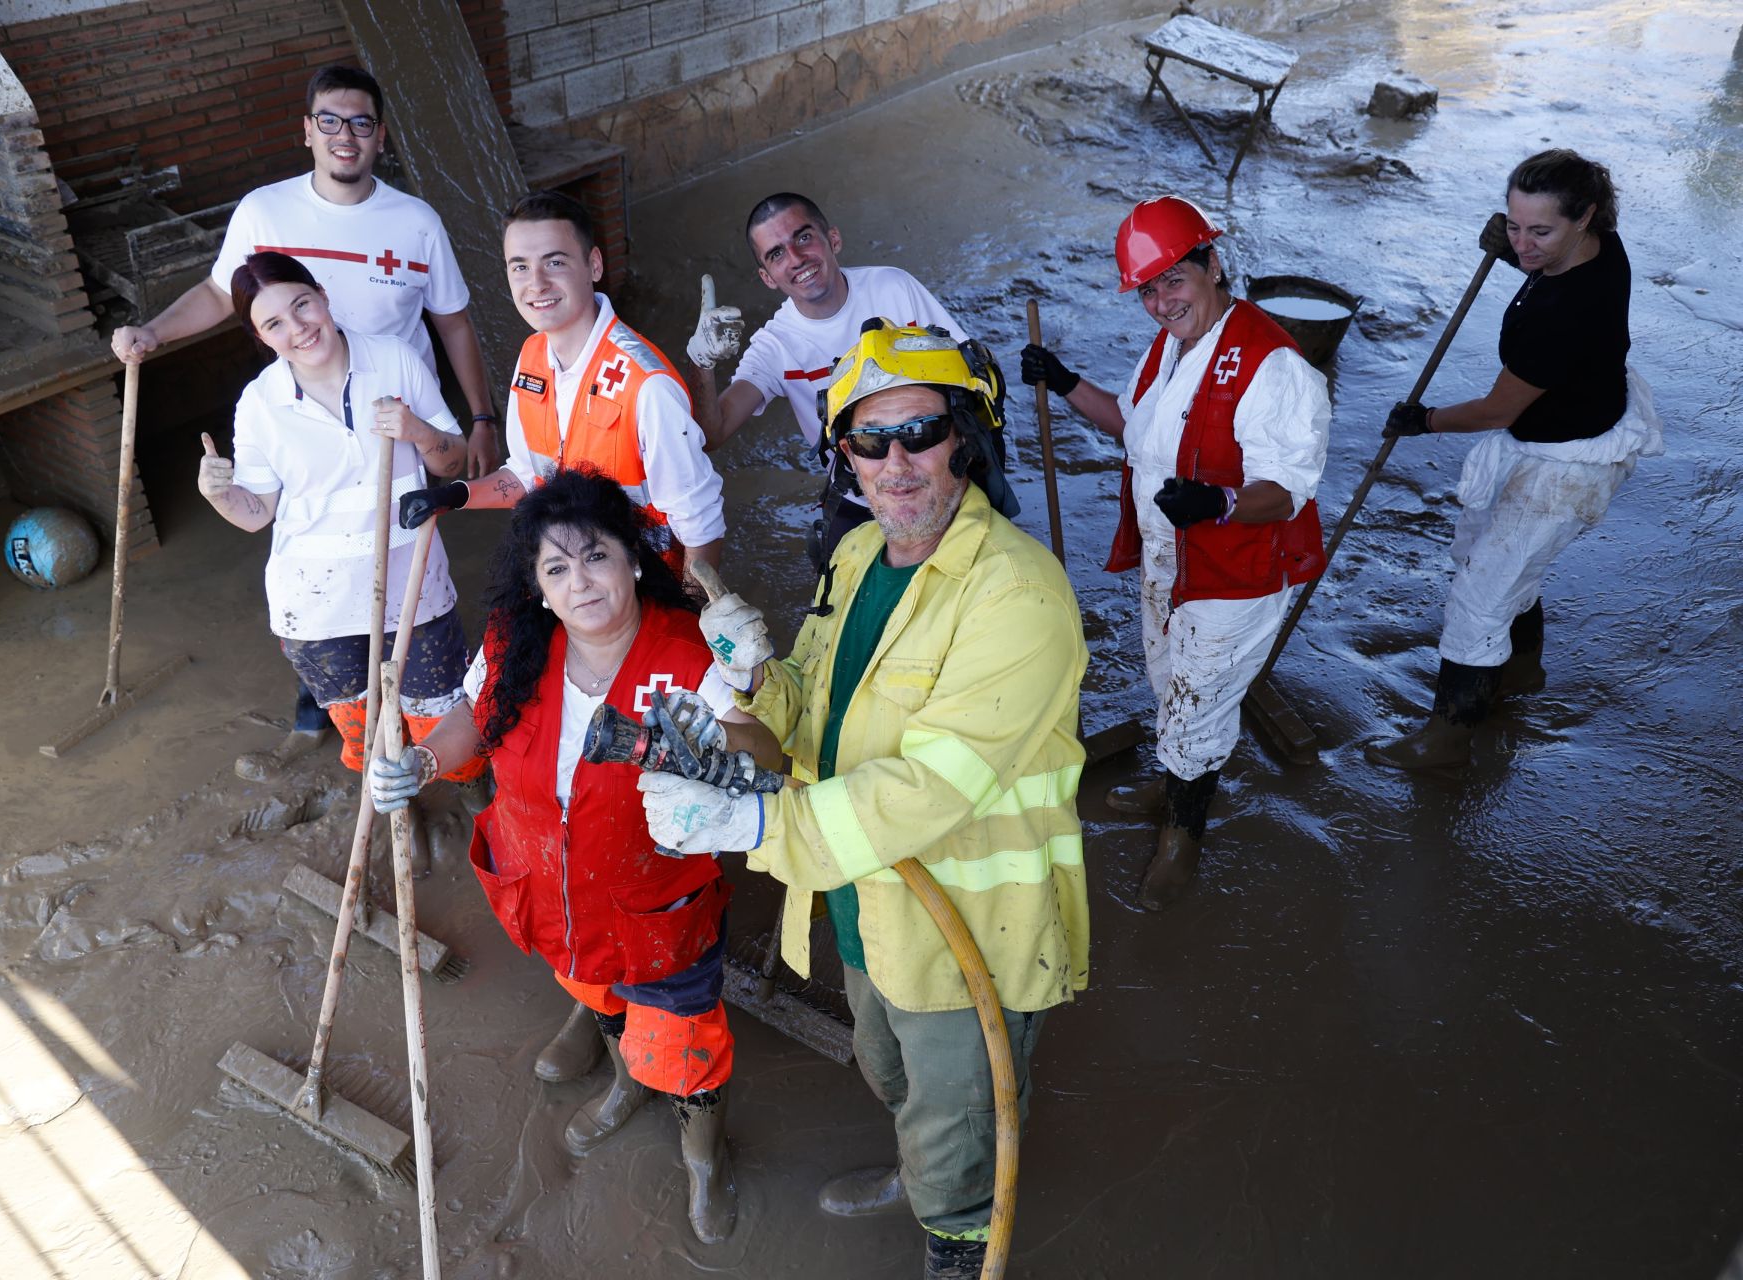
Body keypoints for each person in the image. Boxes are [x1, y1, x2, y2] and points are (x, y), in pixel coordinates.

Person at [635, 321, 1089, 1280]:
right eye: (868, 441)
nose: (896, 463)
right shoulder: (853, 560)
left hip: (973, 925)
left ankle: (959, 1232)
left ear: (966, 434)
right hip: (864, 899)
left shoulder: (1018, 595)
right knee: (891, 1072)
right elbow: (811, 706)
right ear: (843, 454)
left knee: (958, 1109)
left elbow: (931, 787)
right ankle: (928, 1171)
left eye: (920, 432)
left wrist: (757, 822)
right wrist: (758, 676)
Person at [366, 467, 776, 1245]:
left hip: (659, 906)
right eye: (556, 567)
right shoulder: (515, 641)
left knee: (686, 1047)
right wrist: (422, 762)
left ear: (632, 559)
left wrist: (748, 688)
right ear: (539, 586)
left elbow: (768, 757)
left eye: (595, 557)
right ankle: (626, 1088)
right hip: (552, 895)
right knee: (608, 1008)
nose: (579, 581)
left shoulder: (691, 652)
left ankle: (702, 1155)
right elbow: (471, 723)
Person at [111, 64, 502, 782]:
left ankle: (440, 749)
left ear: (380, 136)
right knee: (321, 563)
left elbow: (452, 323)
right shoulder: (265, 214)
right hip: (310, 415)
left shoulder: (415, 223)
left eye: (360, 123)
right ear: (307, 130)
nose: (344, 136)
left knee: (404, 571)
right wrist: (155, 334)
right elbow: (218, 291)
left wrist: (477, 421)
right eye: (330, 120)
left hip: (395, 419)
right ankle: (335, 709)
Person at [1019, 196, 1330, 910]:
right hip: (1171, 556)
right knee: (1170, 684)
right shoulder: (1168, 348)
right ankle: (1171, 783)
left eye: (1174, 281)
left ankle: (1183, 834)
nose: (1161, 302)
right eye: (1148, 290)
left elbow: (1287, 489)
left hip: (1234, 572)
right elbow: (1133, 426)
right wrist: (1065, 382)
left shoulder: (1272, 366)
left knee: (1197, 706)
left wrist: (1219, 502)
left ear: (1212, 266)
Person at [1366, 150, 1662, 769]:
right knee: (1493, 555)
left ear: (1584, 217)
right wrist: (1517, 250)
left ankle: (1447, 737)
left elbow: (1498, 410)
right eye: (1513, 224)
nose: (1522, 243)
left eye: (1540, 231)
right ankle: (1522, 667)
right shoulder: (1601, 243)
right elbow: (1540, 255)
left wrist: (1424, 421)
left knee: (1480, 592)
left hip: (1567, 463)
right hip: (1575, 417)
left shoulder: (1562, 317)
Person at [198, 252, 481, 866]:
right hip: (317, 606)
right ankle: (405, 819)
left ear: (322, 295)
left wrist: (415, 431)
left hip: (413, 589)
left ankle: (480, 806)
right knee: (369, 729)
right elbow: (256, 514)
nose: (297, 327)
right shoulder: (261, 403)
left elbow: (454, 464)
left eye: (302, 304)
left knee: (441, 715)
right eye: (274, 323)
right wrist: (218, 492)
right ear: (260, 338)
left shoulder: (396, 359)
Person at [396, 191, 725, 577]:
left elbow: (700, 525)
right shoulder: (532, 357)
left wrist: (693, 617)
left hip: (645, 591)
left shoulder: (647, 386)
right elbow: (527, 476)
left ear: (594, 265)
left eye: (554, 262)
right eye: (519, 267)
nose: (535, 284)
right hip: (569, 577)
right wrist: (452, 496)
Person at [683, 193, 980, 573]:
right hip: (861, 500)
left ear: (833, 239)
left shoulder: (894, 289)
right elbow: (712, 432)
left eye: (803, 238)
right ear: (767, 277)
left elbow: (971, 374)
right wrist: (700, 360)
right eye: (776, 254)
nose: (795, 258)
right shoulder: (776, 346)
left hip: (938, 483)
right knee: (840, 608)